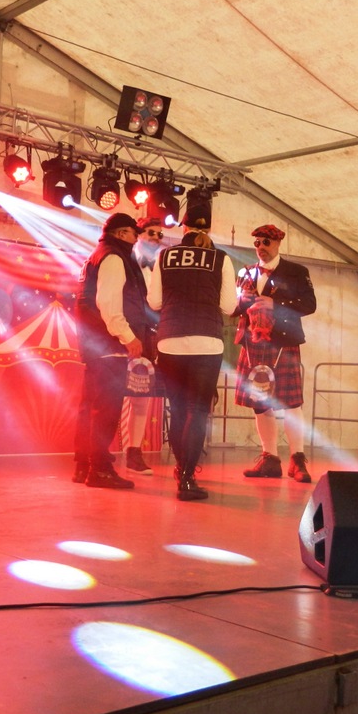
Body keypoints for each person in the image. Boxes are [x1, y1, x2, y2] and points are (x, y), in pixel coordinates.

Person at [147, 198, 236, 500]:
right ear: (209, 228)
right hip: (207, 342)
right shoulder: (221, 258)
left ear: (183, 226)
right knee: (197, 411)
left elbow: (154, 302)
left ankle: (179, 469)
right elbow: (229, 306)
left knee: (177, 408)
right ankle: (187, 478)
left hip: (170, 340)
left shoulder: (164, 255)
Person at [73, 213, 152, 490]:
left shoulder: (96, 257)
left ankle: (84, 466)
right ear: (120, 234)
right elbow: (109, 305)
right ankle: (100, 470)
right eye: (133, 233)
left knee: (90, 407)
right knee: (105, 410)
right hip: (109, 344)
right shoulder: (114, 258)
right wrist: (129, 337)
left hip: (95, 343)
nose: (136, 238)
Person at [233, 224, 316, 482]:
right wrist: (242, 302)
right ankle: (269, 459)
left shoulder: (296, 271)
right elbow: (234, 308)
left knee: (291, 403)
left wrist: (276, 304)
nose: (261, 248)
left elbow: (309, 305)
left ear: (278, 243)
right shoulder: (245, 272)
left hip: (283, 342)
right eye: (257, 243)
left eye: (266, 243)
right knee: (260, 404)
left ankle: (297, 461)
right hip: (252, 343)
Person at [119, 215, 164, 476]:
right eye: (151, 233)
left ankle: (133, 452)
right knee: (113, 395)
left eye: (159, 234)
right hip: (123, 334)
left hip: (148, 337)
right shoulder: (124, 261)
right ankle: (99, 453)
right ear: (139, 235)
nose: (156, 238)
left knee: (141, 395)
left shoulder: (161, 267)